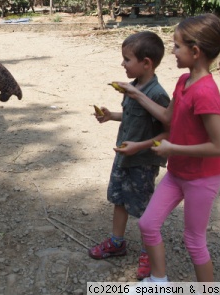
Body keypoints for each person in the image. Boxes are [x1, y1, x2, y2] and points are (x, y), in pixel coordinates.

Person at [121, 13, 220, 283]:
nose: (172, 51)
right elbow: (167, 118)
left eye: (176, 46)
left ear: (195, 51)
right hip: (178, 173)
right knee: (147, 224)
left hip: (202, 179)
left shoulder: (205, 92)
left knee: (194, 241)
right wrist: (136, 93)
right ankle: (158, 281)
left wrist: (174, 148)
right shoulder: (183, 82)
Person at [89, 31, 170, 281]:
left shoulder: (157, 94)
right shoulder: (131, 88)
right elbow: (132, 115)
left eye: (127, 59)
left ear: (146, 63)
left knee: (144, 209)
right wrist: (111, 115)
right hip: (123, 156)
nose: (122, 64)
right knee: (119, 199)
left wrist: (139, 147)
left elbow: (168, 131)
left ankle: (149, 253)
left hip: (143, 162)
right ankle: (117, 242)